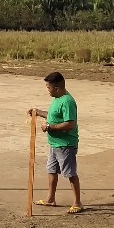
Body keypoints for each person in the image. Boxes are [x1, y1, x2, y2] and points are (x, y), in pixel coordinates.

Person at [29, 71, 83, 214]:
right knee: (51, 170)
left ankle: (77, 203)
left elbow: (70, 124)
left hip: (65, 145)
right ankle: (50, 199)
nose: (48, 90)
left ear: (57, 87)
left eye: (49, 87)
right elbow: (53, 116)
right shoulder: (57, 99)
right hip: (54, 144)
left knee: (70, 173)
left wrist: (49, 127)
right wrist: (38, 112)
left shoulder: (67, 101)